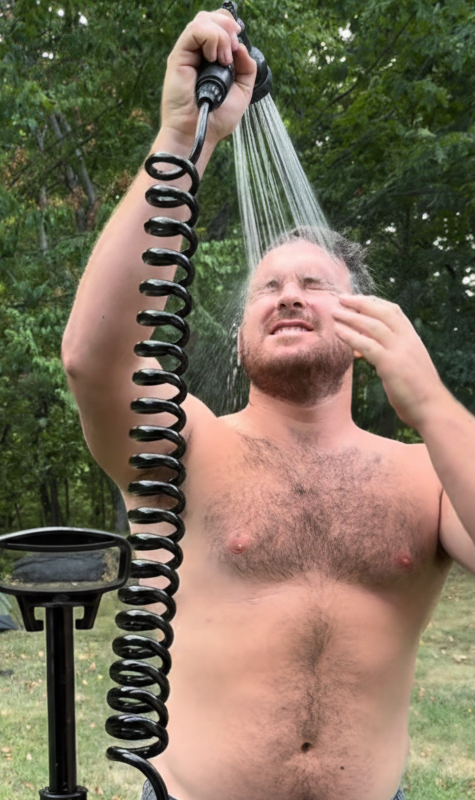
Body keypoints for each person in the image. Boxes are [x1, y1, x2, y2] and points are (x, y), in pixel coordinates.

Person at [61, 8, 475, 800]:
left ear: (365, 321)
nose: (288, 295)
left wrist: (430, 402)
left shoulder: (428, 474)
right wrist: (187, 135)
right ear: (242, 334)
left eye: (315, 284)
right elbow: (91, 360)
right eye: (267, 289)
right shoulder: (191, 447)